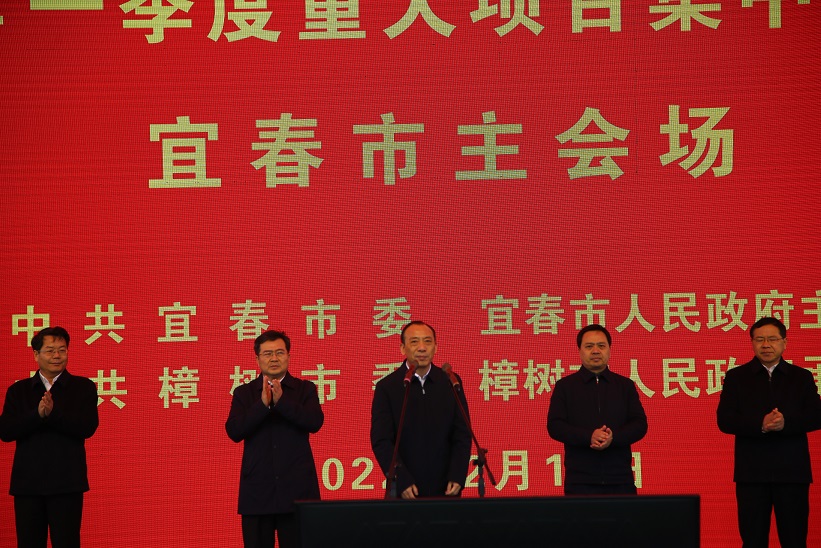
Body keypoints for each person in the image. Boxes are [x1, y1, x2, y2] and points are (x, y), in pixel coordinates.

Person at [717, 317, 821, 548]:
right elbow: (725, 420)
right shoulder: (736, 377)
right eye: (760, 339)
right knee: (753, 540)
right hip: (752, 474)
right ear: (752, 343)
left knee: (795, 540)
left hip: (792, 473)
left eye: (772, 339)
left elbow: (816, 415)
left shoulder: (801, 377)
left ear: (784, 342)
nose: (766, 345)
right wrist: (760, 424)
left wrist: (786, 423)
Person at [0, 326, 99, 548]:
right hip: (28, 485)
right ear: (36, 354)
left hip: (67, 484)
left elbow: (87, 427)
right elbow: (5, 431)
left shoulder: (83, 387)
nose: (57, 356)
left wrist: (53, 414)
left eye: (62, 350)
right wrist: (37, 415)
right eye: (50, 350)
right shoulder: (19, 391)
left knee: (67, 543)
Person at [225, 330, 324, 548]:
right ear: (257, 359)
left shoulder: (305, 389)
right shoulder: (244, 393)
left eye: (279, 352)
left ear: (288, 356)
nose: (274, 358)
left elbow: (315, 422)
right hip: (257, 494)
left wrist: (282, 403)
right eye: (267, 353)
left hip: (298, 493)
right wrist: (262, 405)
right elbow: (234, 431)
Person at [370, 321, 471, 499]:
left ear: (436, 347)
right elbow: (382, 441)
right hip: (405, 490)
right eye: (414, 342)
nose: (422, 348)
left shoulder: (449, 381)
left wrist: (457, 474)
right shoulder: (388, 387)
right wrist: (400, 479)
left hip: (446, 489)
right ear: (403, 348)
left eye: (428, 341)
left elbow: (462, 433)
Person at [547, 324, 647, 495]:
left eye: (601, 346)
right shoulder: (565, 386)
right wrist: (589, 436)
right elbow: (555, 426)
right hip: (579, 482)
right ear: (579, 350)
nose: (595, 351)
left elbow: (639, 425)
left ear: (609, 349)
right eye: (589, 346)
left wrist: (613, 437)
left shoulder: (625, 386)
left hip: (620, 480)